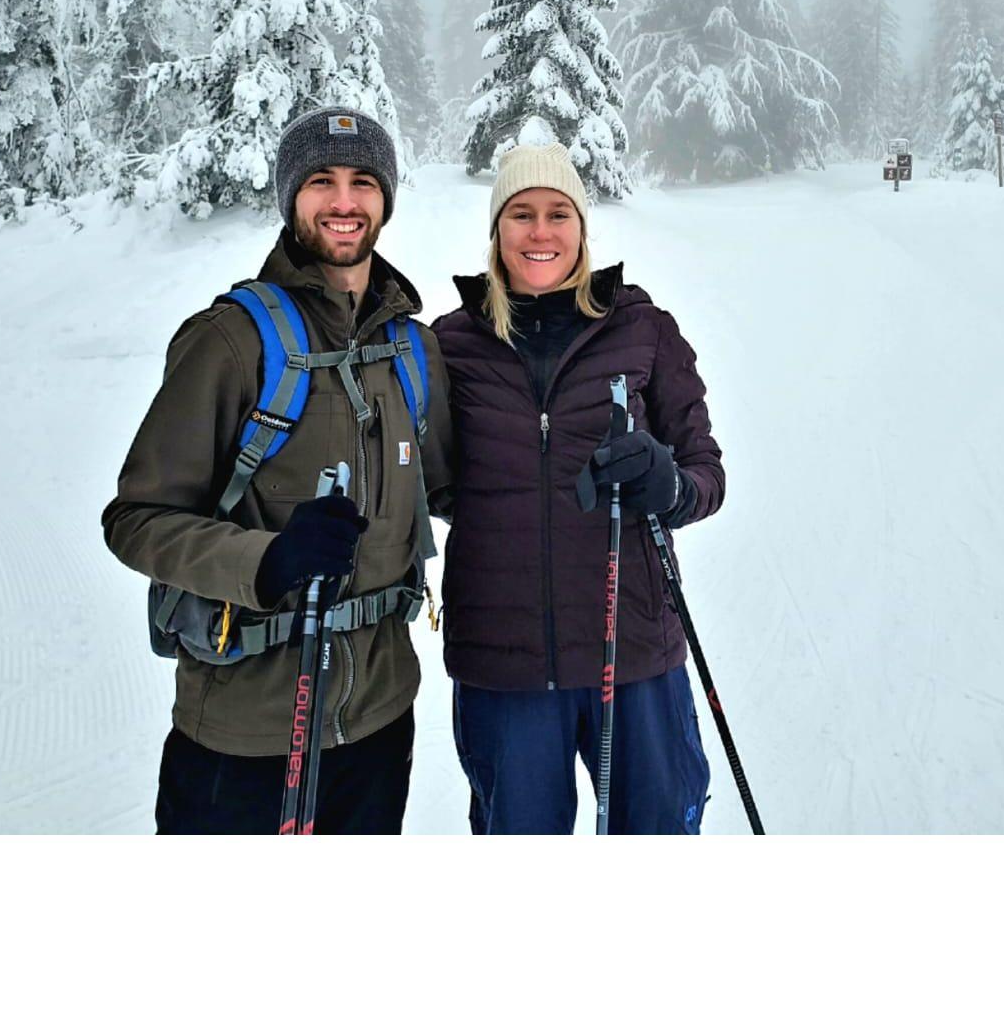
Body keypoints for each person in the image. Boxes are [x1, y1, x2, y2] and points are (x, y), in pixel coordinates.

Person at [103, 107, 452, 835]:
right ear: (291, 196)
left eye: (363, 182)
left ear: (385, 198)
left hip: (381, 723)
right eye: (321, 181)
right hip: (244, 733)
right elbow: (137, 521)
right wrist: (266, 561)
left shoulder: (412, 352)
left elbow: (455, 490)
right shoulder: (232, 341)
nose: (344, 202)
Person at [430, 142, 722, 834]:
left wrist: (669, 485)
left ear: (581, 229)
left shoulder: (642, 330)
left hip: (634, 651)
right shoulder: (450, 344)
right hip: (503, 664)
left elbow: (705, 473)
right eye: (521, 214)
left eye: (558, 213)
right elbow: (435, 483)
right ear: (497, 231)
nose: (540, 232)